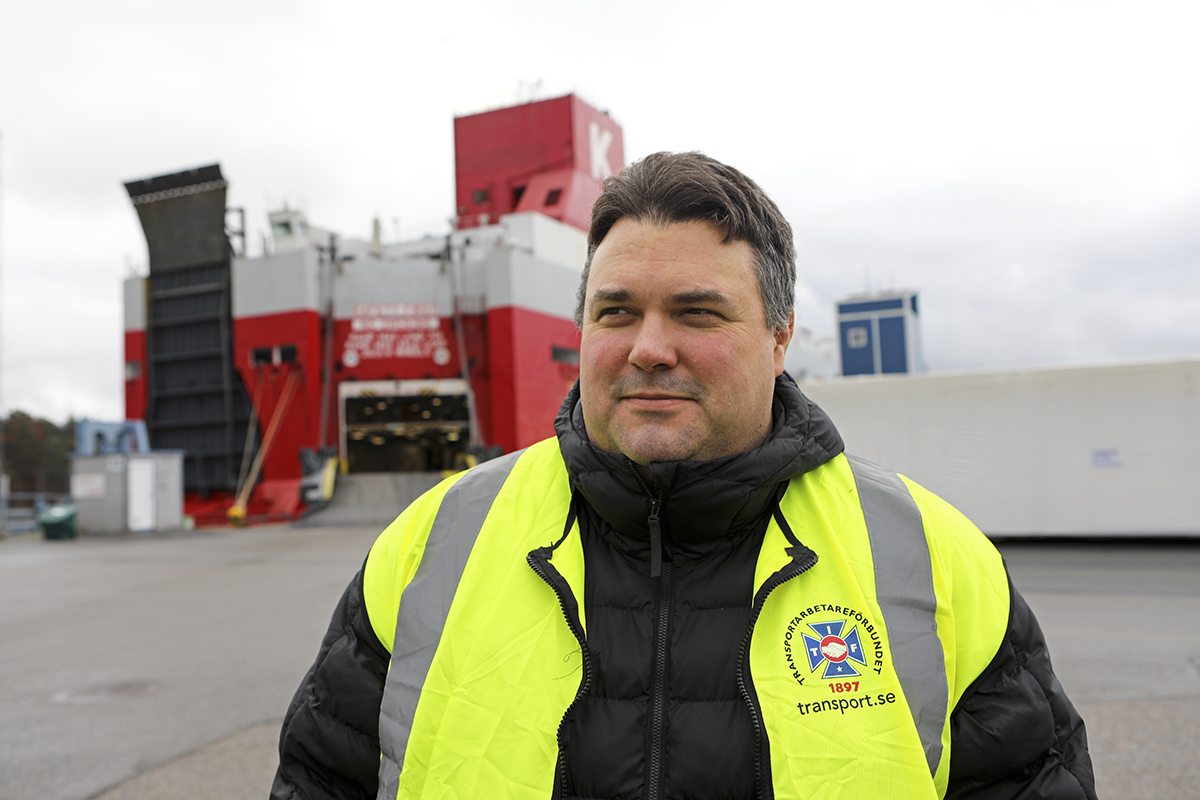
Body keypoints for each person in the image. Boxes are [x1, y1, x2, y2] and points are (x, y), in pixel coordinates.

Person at [272, 152, 1096, 800]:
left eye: (697, 313)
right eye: (617, 311)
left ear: (779, 340)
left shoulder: (932, 558)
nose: (648, 348)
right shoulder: (430, 547)